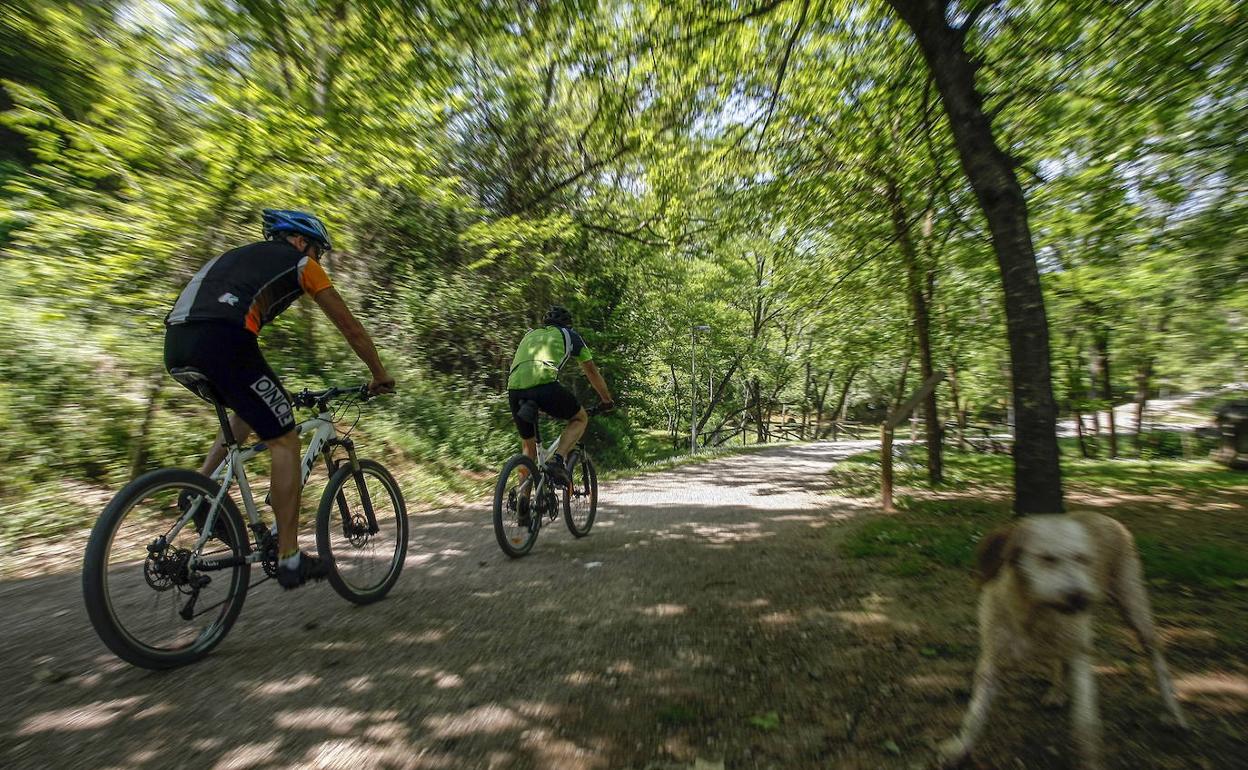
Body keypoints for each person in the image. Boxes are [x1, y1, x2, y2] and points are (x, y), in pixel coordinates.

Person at [164, 209, 394, 589]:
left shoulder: (234, 257)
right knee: (285, 437)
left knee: (252, 408)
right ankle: (288, 558)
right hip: (224, 341)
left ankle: (199, 488)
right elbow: (350, 327)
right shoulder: (302, 263)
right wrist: (378, 373)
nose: (318, 260)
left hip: (177, 344)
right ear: (301, 242)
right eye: (318, 251)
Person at [506, 305, 614, 486]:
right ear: (568, 325)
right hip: (544, 385)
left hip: (514, 390)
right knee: (580, 418)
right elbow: (592, 372)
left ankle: (523, 501)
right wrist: (606, 400)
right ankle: (558, 460)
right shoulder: (570, 336)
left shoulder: (530, 334)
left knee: (528, 449)